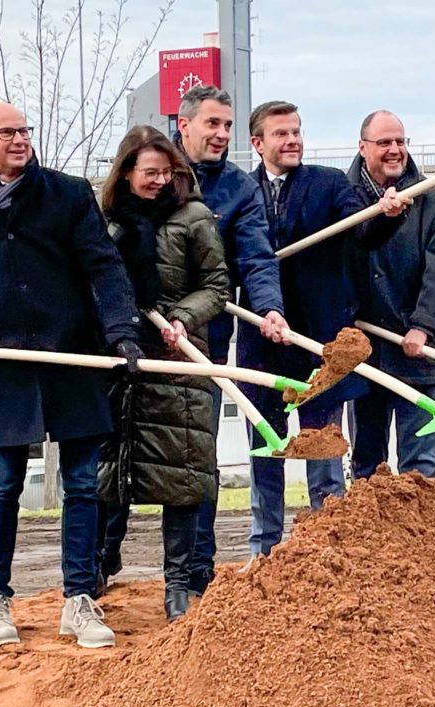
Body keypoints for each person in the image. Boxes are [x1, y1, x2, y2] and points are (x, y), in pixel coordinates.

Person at [0, 101, 143, 650]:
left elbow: (104, 266)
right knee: (5, 484)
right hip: (9, 363)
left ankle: (79, 601)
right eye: (6, 133)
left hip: (74, 358)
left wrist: (121, 331)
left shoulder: (66, 194)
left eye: (24, 131)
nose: (19, 140)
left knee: (84, 484)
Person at [241, 100, 408, 558]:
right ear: (258, 144)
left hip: (320, 345)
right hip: (263, 342)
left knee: (324, 450)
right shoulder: (242, 193)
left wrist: (386, 214)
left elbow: (363, 232)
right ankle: (265, 551)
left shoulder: (330, 185)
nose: (292, 140)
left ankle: (330, 550)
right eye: (281, 134)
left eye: (296, 132)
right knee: (266, 449)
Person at [95, 126, 229, 621]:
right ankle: (98, 568)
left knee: (183, 476)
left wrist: (183, 319)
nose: (158, 181)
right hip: (119, 360)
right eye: (148, 172)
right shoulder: (105, 223)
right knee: (112, 471)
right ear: (126, 173)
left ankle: (178, 584)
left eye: (166, 172)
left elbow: (217, 286)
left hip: (177, 360)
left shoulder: (193, 217)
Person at [173, 85, 288, 592]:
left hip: (207, 340)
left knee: (199, 458)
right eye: (212, 124)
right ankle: (100, 564)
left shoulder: (240, 189)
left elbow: (257, 257)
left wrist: (269, 309)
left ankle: (193, 576)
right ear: (185, 124)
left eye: (226, 126)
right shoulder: (153, 168)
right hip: (143, 337)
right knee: (125, 456)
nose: (221, 134)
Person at [346, 111, 435, 480]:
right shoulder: (341, 200)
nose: (395, 150)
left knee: (420, 470)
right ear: (363, 148)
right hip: (364, 354)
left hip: (418, 356)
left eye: (400, 141)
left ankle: (421, 539)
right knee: (367, 469)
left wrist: (423, 326)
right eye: (384, 143)